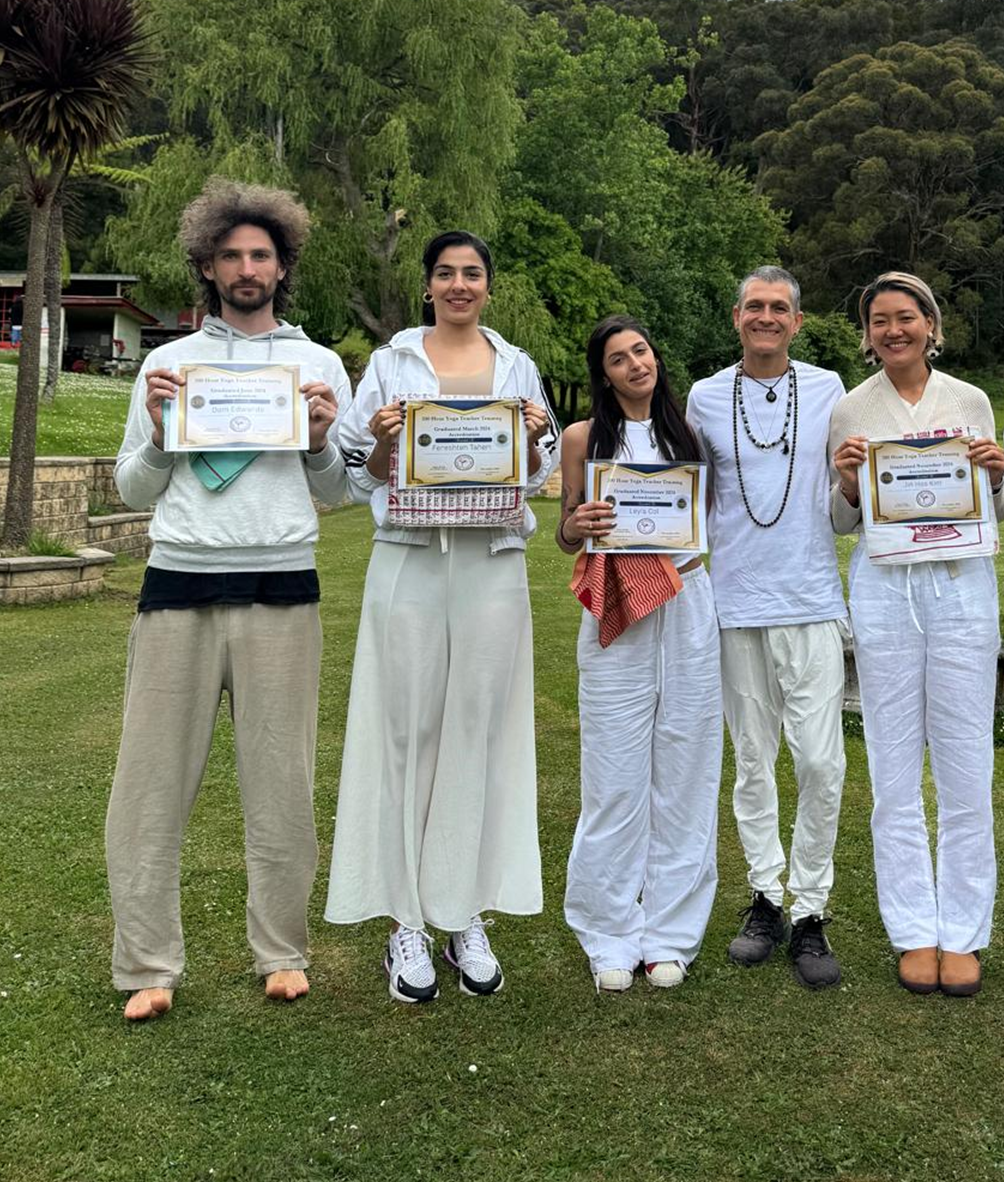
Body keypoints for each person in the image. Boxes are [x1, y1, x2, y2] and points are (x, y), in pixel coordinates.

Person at [107, 178, 348, 1021]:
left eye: (263, 255)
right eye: (231, 255)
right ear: (207, 265)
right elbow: (133, 489)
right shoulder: (167, 364)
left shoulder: (317, 366)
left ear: (283, 267)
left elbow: (342, 489)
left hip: (283, 584)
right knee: (149, 785)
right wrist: (164, 429)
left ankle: (281, 952)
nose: (247, 268)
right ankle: (146, 964)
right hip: (178, 584)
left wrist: (320, 440)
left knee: (280, 782)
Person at [324, 230, 557, 1004]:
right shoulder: (392, 361)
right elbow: (362, 472)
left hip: (492, 565)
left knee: (480, 730)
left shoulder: (517, 364)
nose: (460, 285)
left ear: (488, 285)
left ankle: (464, 913)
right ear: (428, 285)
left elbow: (541, 465)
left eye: (474, 273)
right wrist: (388, 449)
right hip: (410, 560)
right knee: (404, 732)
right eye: (446, 274)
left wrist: (527, 442)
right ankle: (406, 923)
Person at [828, 273, 1004, 997]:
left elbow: (991, 507)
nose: (894, 330)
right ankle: (913, 928)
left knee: (967, 761)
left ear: (932, 325)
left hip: (962, 585)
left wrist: (994, 475)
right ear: (868, 335)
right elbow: (842, 521)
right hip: (884, 589)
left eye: (907, 317)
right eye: (880, 320)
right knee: (894, 764)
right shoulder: (850, 408)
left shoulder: (968, 401)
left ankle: (963, 930)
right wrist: (845, 483)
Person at [685, 266, 848, 989]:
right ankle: (766, 897)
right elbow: (689, 490)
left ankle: (812, 908)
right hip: (735, 603)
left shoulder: (829, 389)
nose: (766, 317)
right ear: (736, 315)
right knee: (752, 761)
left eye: (779, 307)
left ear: (798, 321)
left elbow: (849, 478)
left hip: (811, 598)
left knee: (820, 762)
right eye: (755, 305)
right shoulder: (703, 396)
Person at [556, 315, 722, 992]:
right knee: (614, 774)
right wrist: (579, 522)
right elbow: (567, 534)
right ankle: (608, 933)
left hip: (686, 597)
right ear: (603, 373)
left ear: (657, 357)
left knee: (686, 767)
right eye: (619, 358)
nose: (635, 364)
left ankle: (670, 935)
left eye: (642, 351)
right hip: (614, 602)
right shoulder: (582, 438)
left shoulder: (689, 433)